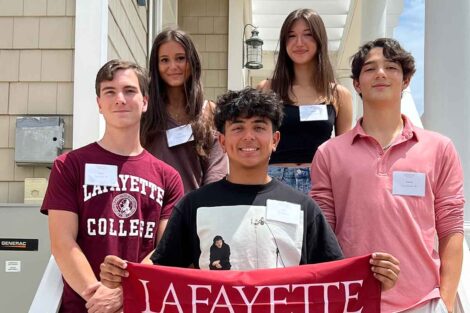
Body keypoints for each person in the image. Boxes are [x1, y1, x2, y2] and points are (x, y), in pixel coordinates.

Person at [100, 88, 399, 293]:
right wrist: (126, 274)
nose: (248, 137)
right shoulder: (194, 206)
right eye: (237, 128)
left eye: (259, 127)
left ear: (275, 140)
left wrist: (373, 279)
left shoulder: (303, 208)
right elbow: (160, 270)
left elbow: (338, 278)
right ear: (222, 140)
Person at [310, 38, 465, 312]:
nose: (380, 73)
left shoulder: (439, 148)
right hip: (352, 300)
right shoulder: (329, 154)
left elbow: (451, 228)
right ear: (356, 84)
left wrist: (447, 301)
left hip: (422, 301)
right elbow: (324, 236)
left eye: (391, 67)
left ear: (406, 80)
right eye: (369, 69)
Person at [40, 60, 184, 313]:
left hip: (142, 304)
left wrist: (124, 294)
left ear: (145, 101)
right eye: (110, 92)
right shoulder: (69, 166)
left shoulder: (168, 177)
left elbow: (166, 250)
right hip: (85, 306)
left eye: (129, 91)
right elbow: (62, 243)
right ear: (99, 103)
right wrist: (98, 297)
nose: (120, 99)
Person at [257, 8, 353, 194]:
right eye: (291, 36)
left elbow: (343, 153)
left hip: (321, 181)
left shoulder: (338, 94)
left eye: (307, 35)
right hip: (275, 179)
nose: (299, 43)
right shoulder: (267, 89)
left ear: (319, 39)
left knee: (319, 225)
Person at [141, 27, 227, 193]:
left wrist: (203, 206)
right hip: (150, 209)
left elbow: (216, 169)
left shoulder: (209, 111)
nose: (173, 66)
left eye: (180, 58)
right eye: (164, 60)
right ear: (156, 65)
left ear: (192, 61)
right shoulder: (145, 109)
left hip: (193, 211)